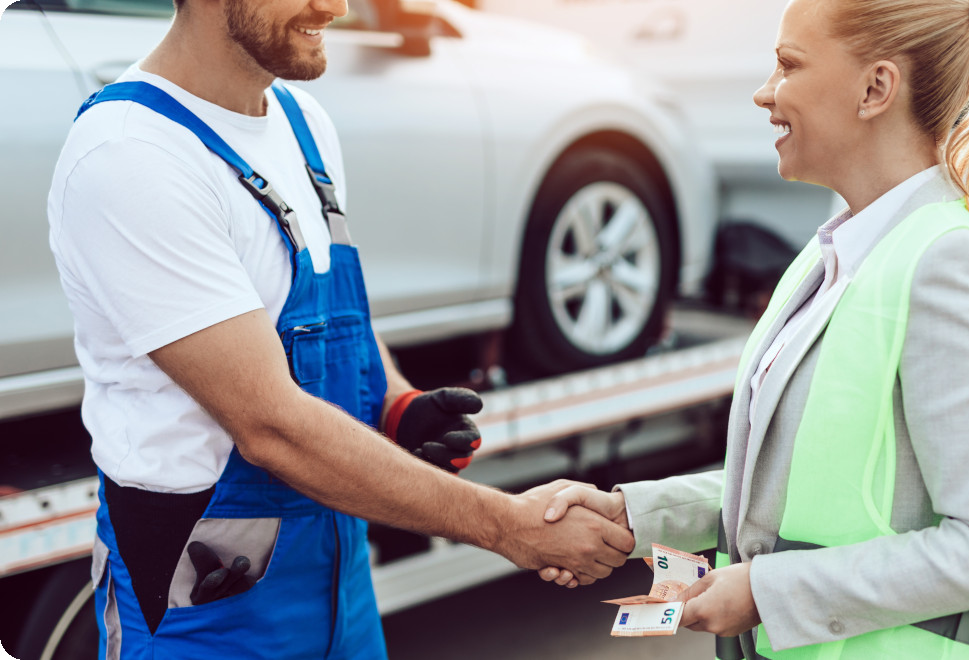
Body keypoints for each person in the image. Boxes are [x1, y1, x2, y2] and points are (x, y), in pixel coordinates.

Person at [46, 0, 632, 656]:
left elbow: (325, 306)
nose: (338, 7)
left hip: (341, 583)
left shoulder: (303, 122)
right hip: (204, 610)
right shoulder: (135, 154)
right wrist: (510, 526)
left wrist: (394, 400)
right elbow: (269, 426)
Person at [540, 0, 969, 657]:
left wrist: (764, 592)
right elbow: (791, 490)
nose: (764, 93)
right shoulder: (825, 257)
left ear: (875, 89)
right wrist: (633, 515)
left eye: (787, 65)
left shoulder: (952, 267)